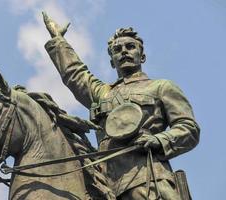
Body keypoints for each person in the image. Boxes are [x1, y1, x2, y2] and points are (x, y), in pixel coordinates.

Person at [42, 12, 200, 200]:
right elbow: (75, 74)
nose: (123, 51)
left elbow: (189, 129)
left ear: (142, 57)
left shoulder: (161, 87)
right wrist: (58, 41)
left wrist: (159, 140)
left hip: (146, 179)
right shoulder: (102, 93)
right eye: (117, 50)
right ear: (112, 61)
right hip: (103, 185)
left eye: (130, 47)